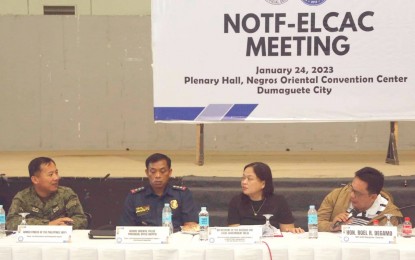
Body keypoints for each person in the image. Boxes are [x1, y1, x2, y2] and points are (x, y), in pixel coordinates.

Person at [118, 153, 198, 231]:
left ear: (170, 172)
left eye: (162, 171)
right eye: (153, 172)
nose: (158, 176)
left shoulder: (182, 194)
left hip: (174, 240)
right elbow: (125, 228)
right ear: (147, 173)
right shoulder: (135, 197)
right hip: (145, 241)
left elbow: (191, 225)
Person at [6, 157, 88, 230]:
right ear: (35, 180)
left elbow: (81, 219)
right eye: (51, 174)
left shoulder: (66, 194)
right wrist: (48, 225)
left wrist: (65, 226)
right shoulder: (22, 197)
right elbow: (11, 222)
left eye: (56, 172)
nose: (56, 177)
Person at [318, 167, 403, 232]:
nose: (351, 195)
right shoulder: (336, 196)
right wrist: (331, 226)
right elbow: (315, 224)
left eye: (357, 193)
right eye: (352, 188)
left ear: (373, 197)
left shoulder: (389, 215)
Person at [227, 162, 304, 233]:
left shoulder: (279, 201)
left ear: (263, 183)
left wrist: (294, 231)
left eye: (249, 179)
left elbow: (287, 231)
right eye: (243, 178)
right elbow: (234, 233)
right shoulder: (236, 201)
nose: (244, 182)